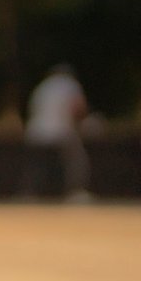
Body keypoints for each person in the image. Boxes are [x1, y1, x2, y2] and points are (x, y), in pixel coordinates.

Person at [25, 63, 92, 201]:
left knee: (37, 164)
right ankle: (75, 191)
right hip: (61, 130)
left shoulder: (43, 86)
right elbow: (78, 108)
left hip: (37, 131)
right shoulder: (70, 85)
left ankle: (29, 193)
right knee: (76, 160)